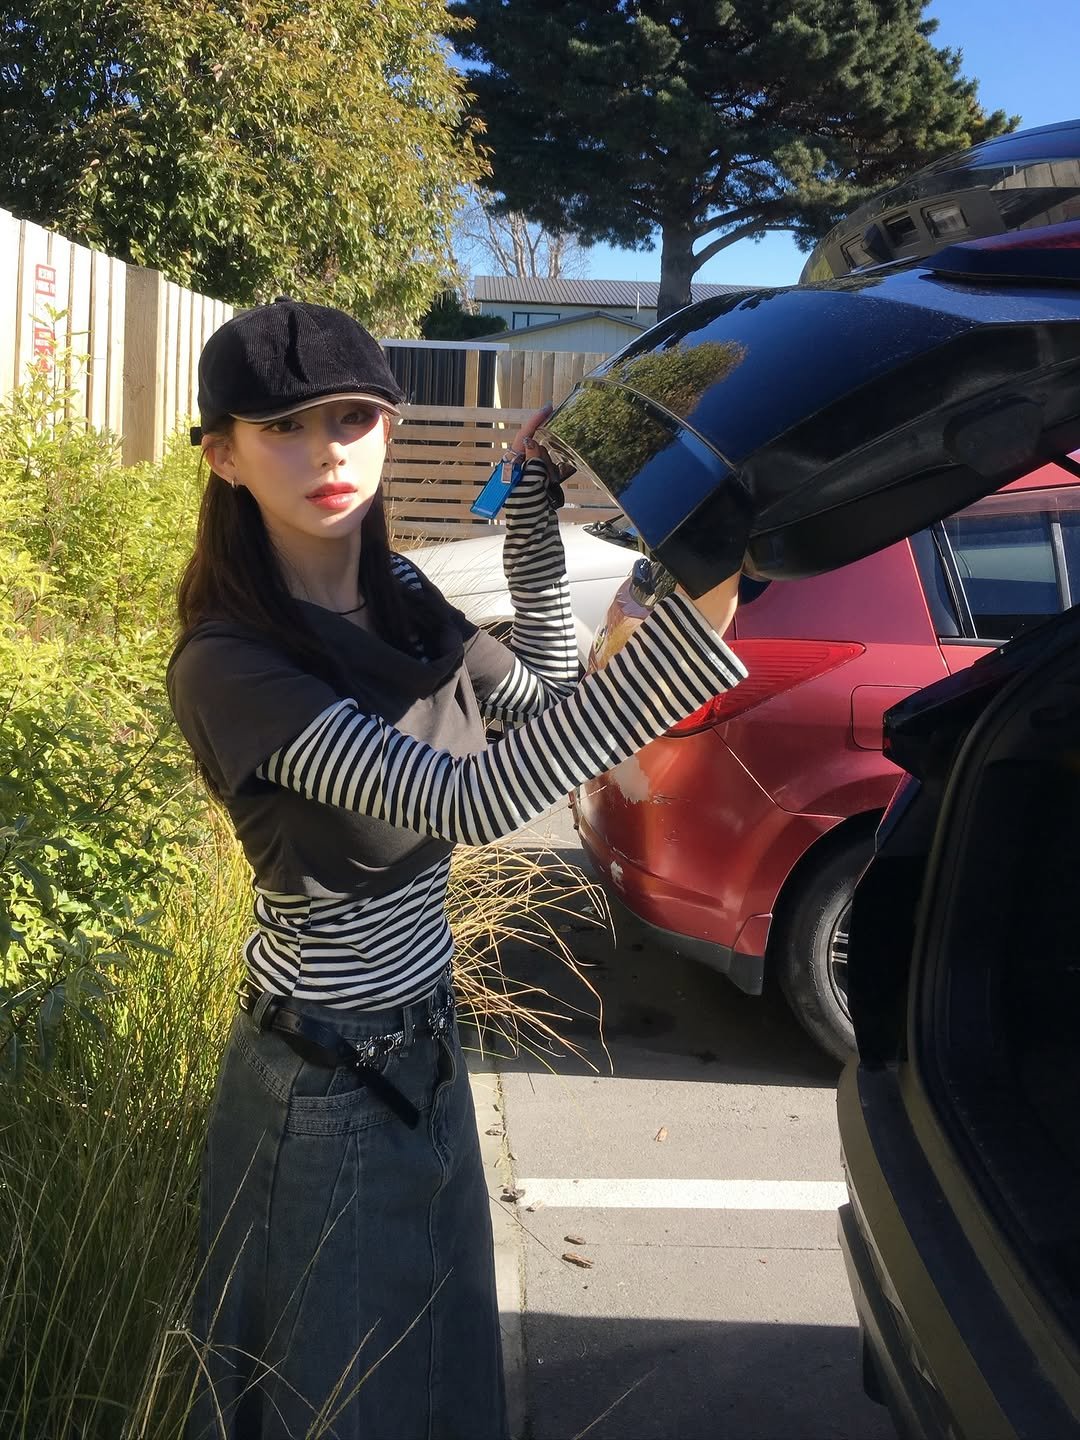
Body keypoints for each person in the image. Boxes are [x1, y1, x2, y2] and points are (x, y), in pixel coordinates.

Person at [166, 297, 747, 1440]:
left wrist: (536, 516)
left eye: (351, 417)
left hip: (424, 1057)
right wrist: (701, 621)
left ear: (389, 428)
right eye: (284, 427)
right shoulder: (232, 663)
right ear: (224, 456)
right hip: (321, 1087)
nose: (327, 450)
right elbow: (467, 799)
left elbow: (550, 702)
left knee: (441, 1388)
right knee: (341, 1410)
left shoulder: (405, 600)